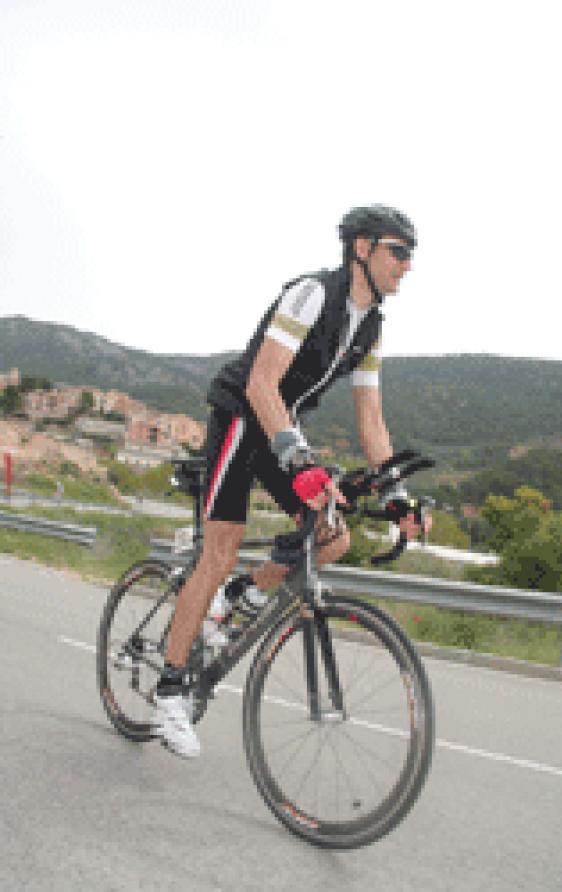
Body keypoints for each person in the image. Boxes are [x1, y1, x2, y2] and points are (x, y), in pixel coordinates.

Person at [155, 204, 427, 757]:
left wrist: (395, 493)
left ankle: (245, 593)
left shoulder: (369, 327)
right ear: (362, 249)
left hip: (282, 428)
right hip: (241, 416)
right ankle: (170, 692)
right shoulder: (312, 294)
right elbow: (261, 381)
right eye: (398, 251)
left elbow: (370, 417)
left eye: (410, 255)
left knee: (333, 536)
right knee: (220, 551)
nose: (407, 265)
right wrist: (299, 460)